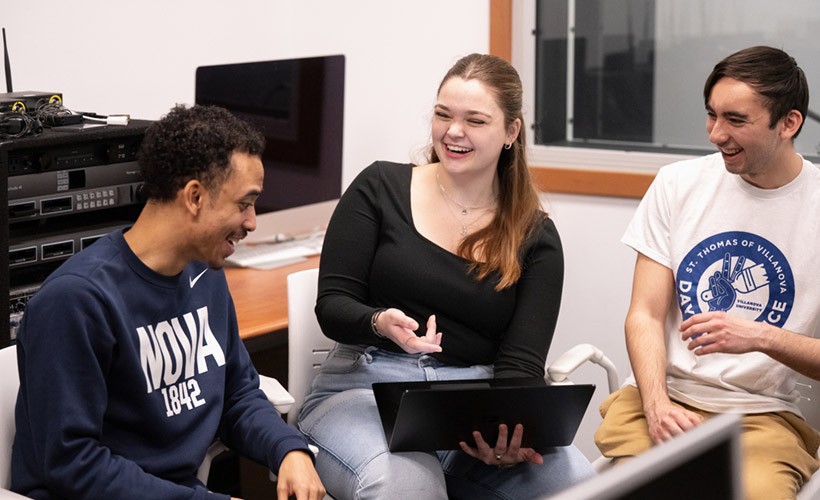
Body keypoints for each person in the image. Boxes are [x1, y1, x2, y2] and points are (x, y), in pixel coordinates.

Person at [297, 53, 594, 499]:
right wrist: (379, 322)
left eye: (475, 120)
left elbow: (520, 366)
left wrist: (508, 434)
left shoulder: (535, 235)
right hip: (367, 392)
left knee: (574, 481)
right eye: (443, 115)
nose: (453, 132)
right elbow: (333, 306)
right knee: (406, 484)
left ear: (511, 132)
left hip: (471, 409)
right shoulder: (379, 188)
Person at [12, 105, 325, 500]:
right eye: (244, 203)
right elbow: (73, 464)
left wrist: (288, 450)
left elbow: (238, 393)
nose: (252, 222)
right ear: (194, 196)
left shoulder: (205, 273)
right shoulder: (76, 300)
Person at [594, 46, 820, 499]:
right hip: (666, 402)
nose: (716, 134)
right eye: (711, 115)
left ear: (789, 123)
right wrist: (656, 405)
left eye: (736, 120)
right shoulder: (677, 184)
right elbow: (644, 314)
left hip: (761, 415)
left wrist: (759, 336)